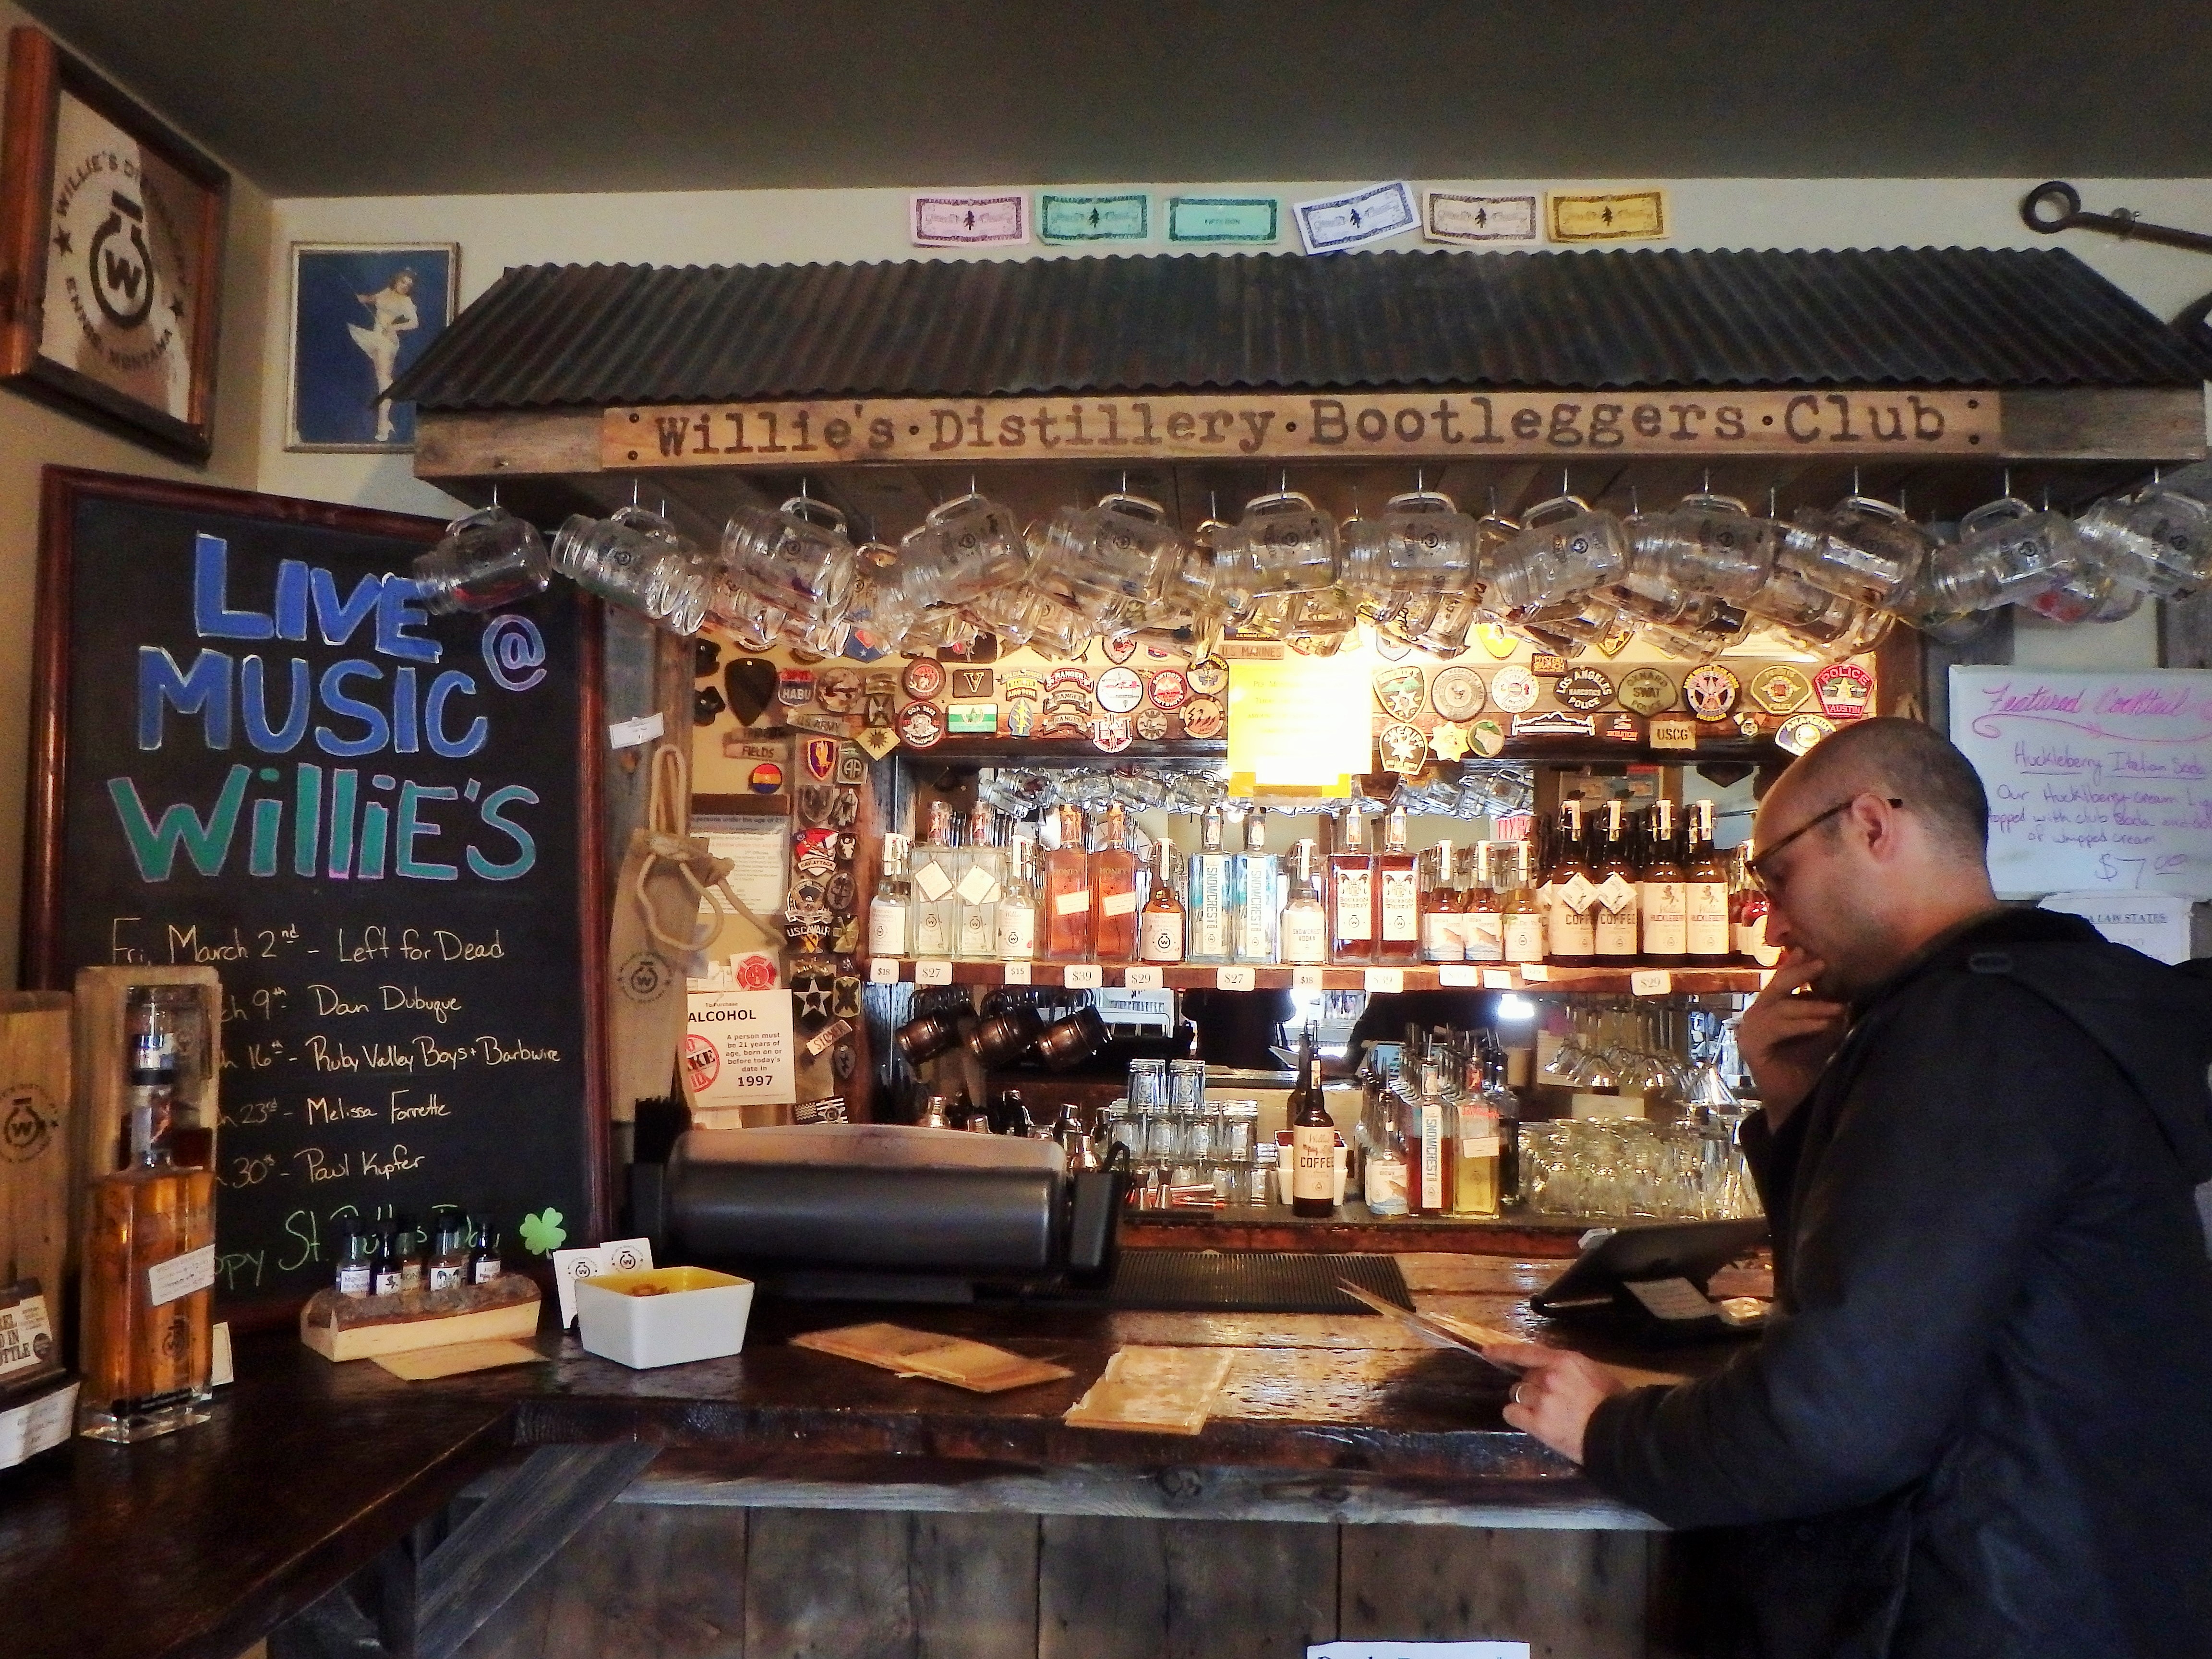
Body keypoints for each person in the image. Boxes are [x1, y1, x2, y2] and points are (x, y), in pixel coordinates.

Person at [1483, 718, 2212, 1659]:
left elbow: (1838, 1416)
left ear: (1872, 826)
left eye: (1777, 876)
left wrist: (1611, 1430)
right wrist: (1800, 1109)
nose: (1772, 925)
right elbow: (1898, 1306)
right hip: (2082, 1579)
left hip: (1992, 1604)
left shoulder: (1970, 1034)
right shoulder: (2038, 1003)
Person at [348, 267, 420, 442]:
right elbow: (373, 299)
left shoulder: (406, 301)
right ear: (397, 280)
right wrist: (361, 298)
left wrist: (394, 327)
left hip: (387, 342)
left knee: (384, 381)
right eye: (403, 282)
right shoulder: (387, 292)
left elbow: (414, 323)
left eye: (408, 285)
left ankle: (383, 424)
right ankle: (385, 422)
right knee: (382, 379)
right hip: (375, 337)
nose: (405, 286)